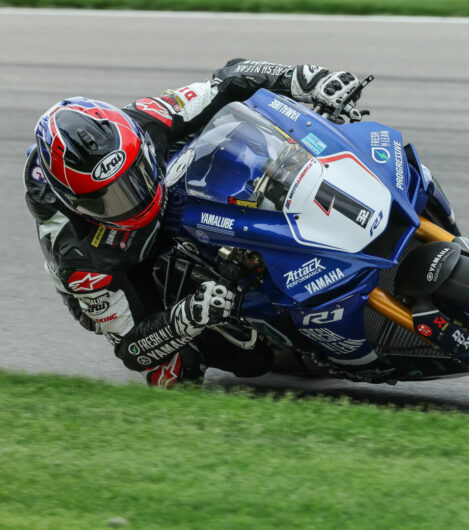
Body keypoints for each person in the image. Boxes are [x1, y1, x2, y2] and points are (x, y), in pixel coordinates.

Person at [23, 59, 361, 388]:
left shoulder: (145, 120)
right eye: (109, 200)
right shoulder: (80, 258)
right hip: (123, 266)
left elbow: (229, 79)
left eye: (136, 177)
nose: (133, 199)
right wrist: (185, 319)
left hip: (175, 190)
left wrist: (304, 79)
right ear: (77, 205)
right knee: (176, 374)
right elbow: (132, 350)